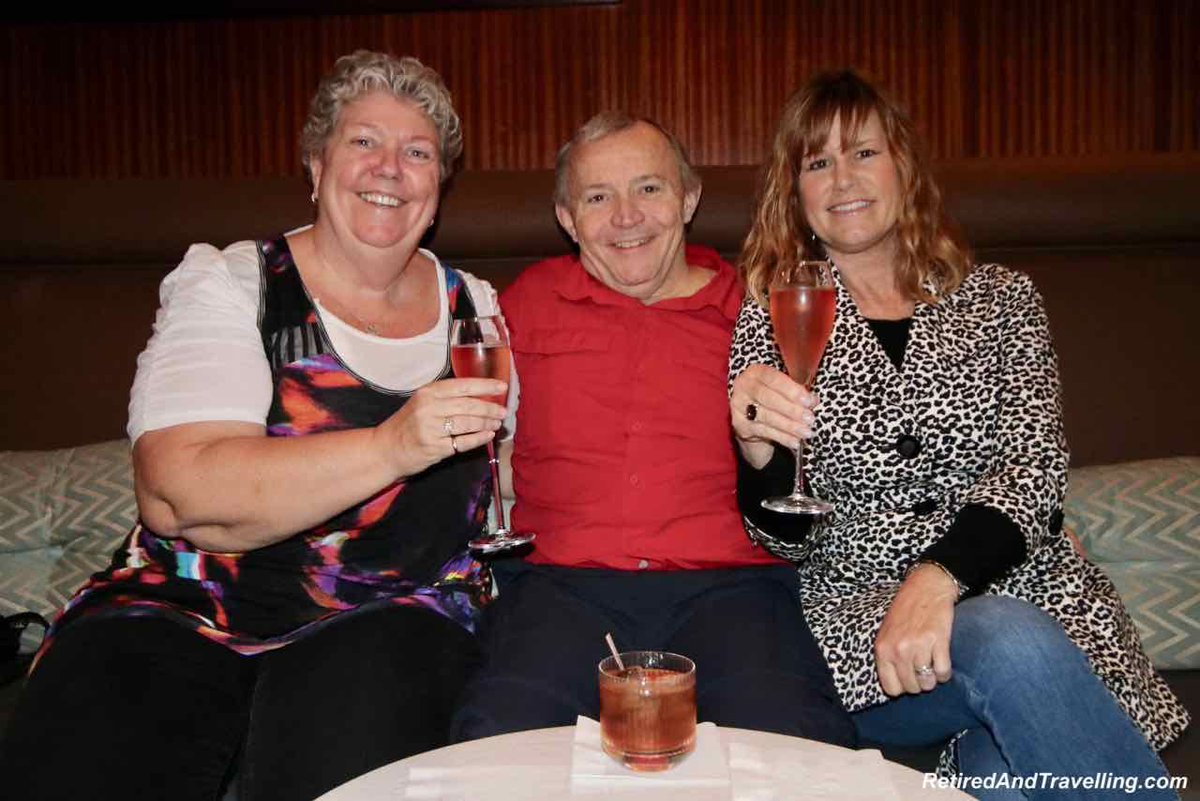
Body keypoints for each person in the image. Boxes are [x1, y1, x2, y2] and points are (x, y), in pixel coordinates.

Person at [0, 51, 510, 801]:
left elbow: (511, 476)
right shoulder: (237, 282)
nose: (390, 168)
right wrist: (392, 446)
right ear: (316, 166)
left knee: (349, 754)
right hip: (185, 602)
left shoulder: (478, 310)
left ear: (437, 191)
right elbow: (177, 494)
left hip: (396, 609)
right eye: (363, 141)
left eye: (418, 152)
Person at [729, 70, 1189, 798]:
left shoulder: (1004, 300)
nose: (842, 178)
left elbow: (1034, 468)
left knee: (996, 775)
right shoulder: (776, 310)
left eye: (864, 153)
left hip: (1038, 603)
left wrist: (936, 578)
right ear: (796, 192)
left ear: (906, 166)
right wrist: (758, 456)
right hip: (867, 635)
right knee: (1002, 637)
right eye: (817, 162)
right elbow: (785, 537)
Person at [450, 112, 855, 747]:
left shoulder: (754, 309)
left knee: (798, 746)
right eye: (597, 197)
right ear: (567, 218)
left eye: (648, 188)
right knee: (495, 742)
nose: (626, 217)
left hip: (731, 589)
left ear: (688, 199)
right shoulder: (522, 304)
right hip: (562, 588)